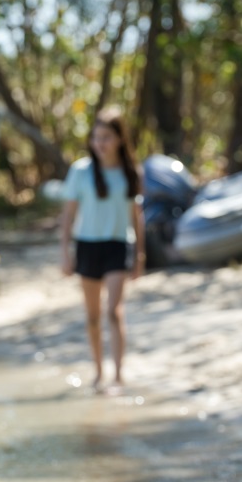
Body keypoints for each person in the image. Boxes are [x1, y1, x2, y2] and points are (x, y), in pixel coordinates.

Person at [60, 106, 146, 394]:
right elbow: (68, 215)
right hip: (87, 245)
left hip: (117, 245)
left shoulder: (131, 172)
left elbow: (137, 216)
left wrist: (140, 255)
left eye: (106, 137)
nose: (100, 143)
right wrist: (65, 251)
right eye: (96, 138)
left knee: (114, 313)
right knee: (93, 317)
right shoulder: (80, 172)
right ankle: (98, 372)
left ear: (120, 139)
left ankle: (118, 376)